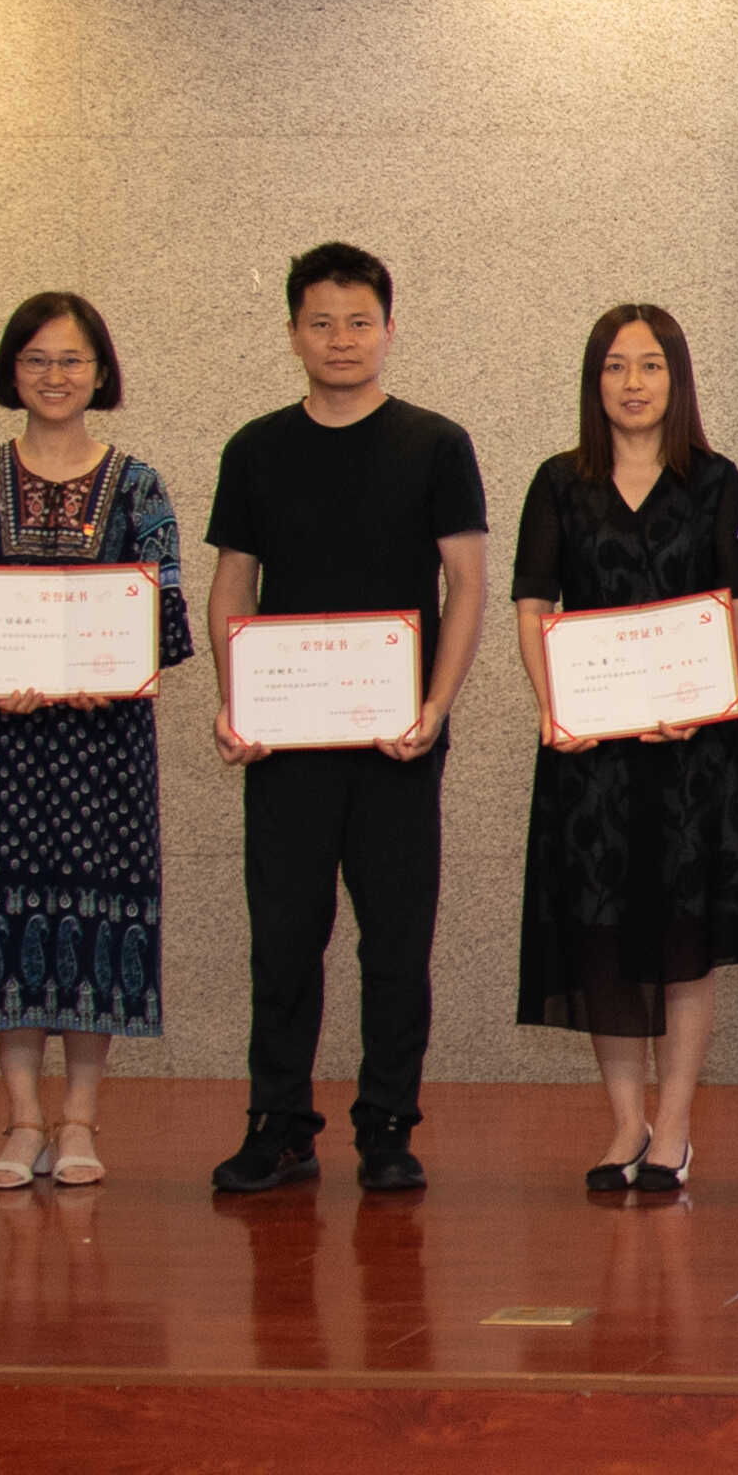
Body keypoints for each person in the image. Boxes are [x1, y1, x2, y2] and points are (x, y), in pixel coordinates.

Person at [203, 242, 491, 1196]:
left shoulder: (435, 443)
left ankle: (388, 1125)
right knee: (284, 939)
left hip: (396, 738)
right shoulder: (255, 448)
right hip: (286, 740)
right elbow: (233, 583)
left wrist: (437, 705)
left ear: (389, 330)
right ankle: (279, 1123)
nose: (340, 338)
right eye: (320, 322)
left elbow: (466, 584)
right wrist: (236, 700)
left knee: (397, 942)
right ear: (292, 333)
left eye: (359, 321)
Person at [0, 292, 193, 1190]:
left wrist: (109, 671)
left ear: (100, 371)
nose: (55, 375)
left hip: (104, 741)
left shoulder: (139, 484)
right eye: (36, 359)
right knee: (4, 910)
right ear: (12, 370)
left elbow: (166, 616)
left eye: (72, 359)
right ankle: (22, 1118)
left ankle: (79, 1119)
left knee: (98, 913)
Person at [507, 303, 738, 1196]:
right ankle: (625, 1121)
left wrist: (695, 694)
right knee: (602, 933)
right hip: (592, 753)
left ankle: (675, 1125)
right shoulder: (558, 482)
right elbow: (533, 604)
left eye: (650, 365)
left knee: (686, 937)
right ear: (594, 381)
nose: (633, 383)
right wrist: (558, 704)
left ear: (677, 378)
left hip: (692, 752)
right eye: (615, 366)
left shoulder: (717, 480)